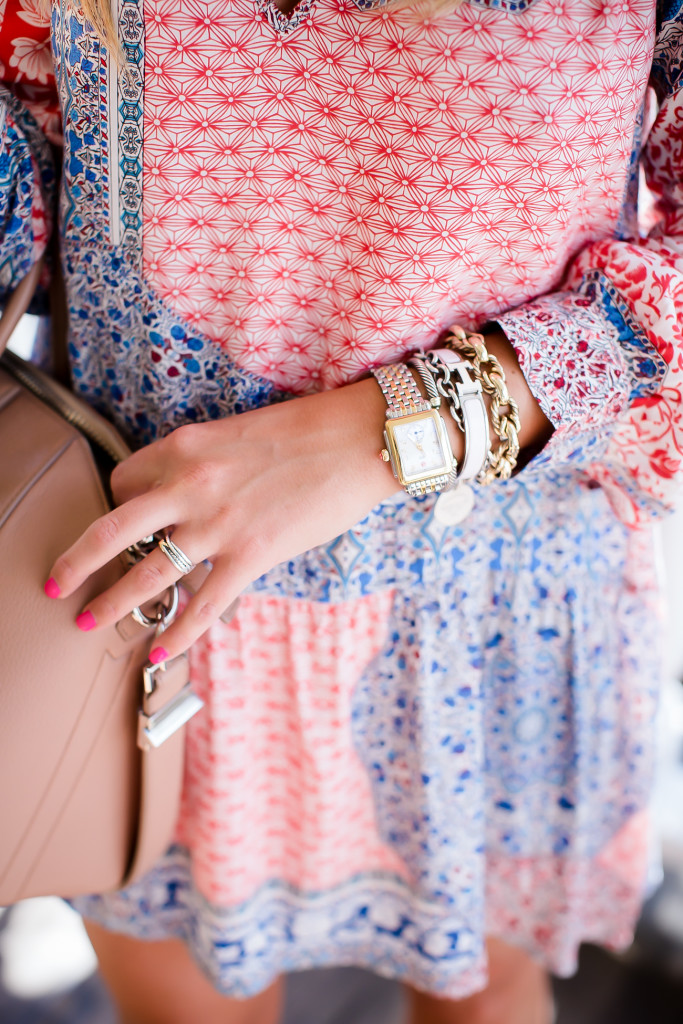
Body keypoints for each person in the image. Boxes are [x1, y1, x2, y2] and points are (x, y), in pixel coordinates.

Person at [1, 0, 680, 1019]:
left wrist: (392, 430)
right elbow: (28, 121)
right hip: (150, 608)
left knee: (483, 990)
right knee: (183, 1003)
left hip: (493, 603)